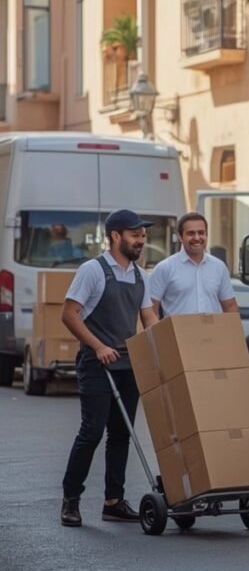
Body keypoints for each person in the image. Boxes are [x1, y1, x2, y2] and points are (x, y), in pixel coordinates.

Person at [60, 210, 159, 527]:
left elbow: (149, 320)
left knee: (121, 434)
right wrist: (98, 346)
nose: (141, 240)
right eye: (135, 234)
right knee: (91, 432)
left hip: (128, 362)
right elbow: (70, 314)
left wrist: (164, 347)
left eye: (142, 235)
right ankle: (71, 500)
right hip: (96, 362)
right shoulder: (93, 271)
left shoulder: (140, 275)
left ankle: (113, 501)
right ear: (116, 236)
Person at [148, 212, 239, 316]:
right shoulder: (165, 268)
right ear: (180, 236)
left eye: (201, 233)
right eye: (191, 233)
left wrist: (233, 331)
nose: (197, 238)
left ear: (206, 235)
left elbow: (230, 306)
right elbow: (151, 308)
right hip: (178, 332)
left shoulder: (219, 267)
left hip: (212, 332)